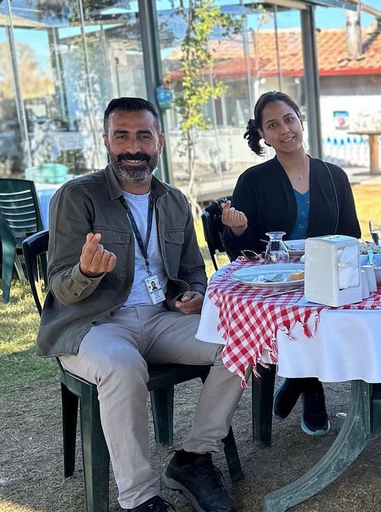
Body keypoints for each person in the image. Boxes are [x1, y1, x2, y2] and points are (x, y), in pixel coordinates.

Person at [39, 98, 244, 512]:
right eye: (122, 136)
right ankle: (139, 497)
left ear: (159, 143)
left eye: (143, 136)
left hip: (161, 318)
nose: (133, 147)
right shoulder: (77, 197)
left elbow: (192, 268)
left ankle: (193, 457)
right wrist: (86, 271)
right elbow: (61, 287)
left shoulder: (173, 200)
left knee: (240, 342)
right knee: (121, 365)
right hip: (93, 324)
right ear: (106, 142)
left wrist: (194, 294)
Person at [221, 91, 361, 437]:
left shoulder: (334, 176)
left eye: (288, 119)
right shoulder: (252, 181)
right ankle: (311, 386)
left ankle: (299, 378)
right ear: (263, 136)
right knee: (301, 308)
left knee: (340, 306)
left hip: (327, 279)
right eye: (272, 125)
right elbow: (245, 255)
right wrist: (238, 229)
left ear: (301, 121)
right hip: (278, 283)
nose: (284, 130)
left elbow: (351, 236)